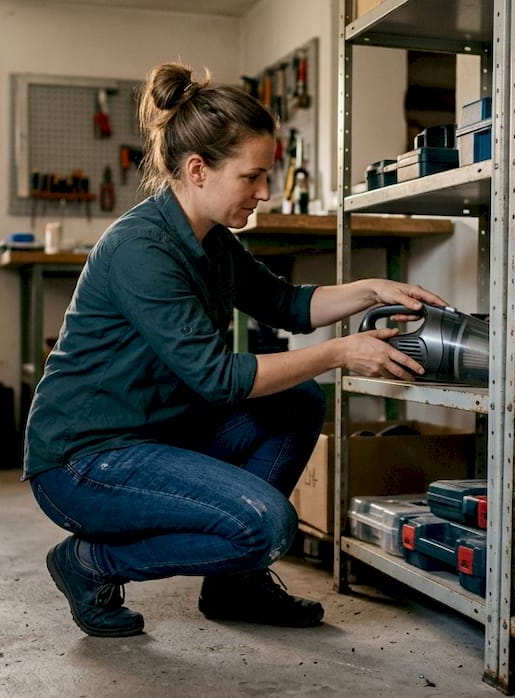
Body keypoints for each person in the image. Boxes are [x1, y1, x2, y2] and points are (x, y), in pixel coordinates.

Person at [24, 61, 448, 638]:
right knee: (266, 527)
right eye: (252, 177)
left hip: (156, 434)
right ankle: (88, 563)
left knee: (295, 401)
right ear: (198, 170)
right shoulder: (140, 249)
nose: (264, 192)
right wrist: (340, 353)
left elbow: (286, 303)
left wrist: (370, 288)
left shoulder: (212, 241)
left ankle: (234, 586)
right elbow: (221, 379)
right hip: (84, 461)